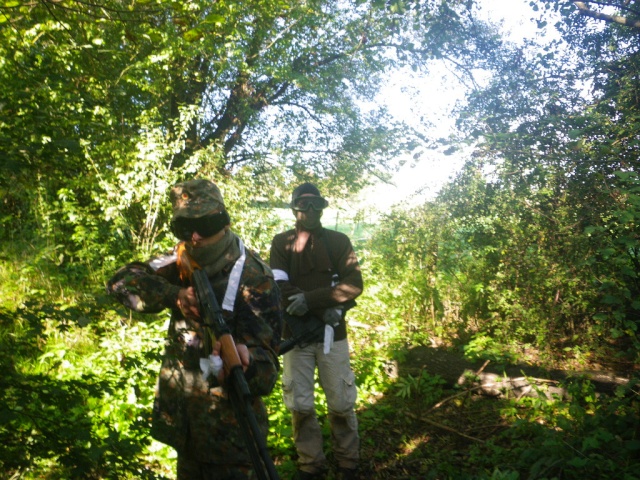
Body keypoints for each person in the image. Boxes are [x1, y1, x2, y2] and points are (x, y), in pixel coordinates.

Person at [107, 179, 282, 480]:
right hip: (187, 430)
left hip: (231, 437)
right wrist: (173, 295)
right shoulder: (179, 261)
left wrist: (246, 362)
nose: (196, 236)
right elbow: (120, 281)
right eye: (185, 228)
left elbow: (267, 370)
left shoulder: (255, 279)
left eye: (206, 224)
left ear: (224, 222)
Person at [269, 183, 363, 480]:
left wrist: (311, 301)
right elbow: (279, 287)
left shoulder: (338, 241)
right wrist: (324, 304)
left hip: (331, 335)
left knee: (340, 401)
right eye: (303, 205)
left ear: (323, 207)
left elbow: (354, 284)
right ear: (294, 208)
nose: (309, 211)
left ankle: (349, 462)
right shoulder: (281, 243)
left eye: (316, 205)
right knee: (300, 404)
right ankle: (311, 465)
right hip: (294, 335)